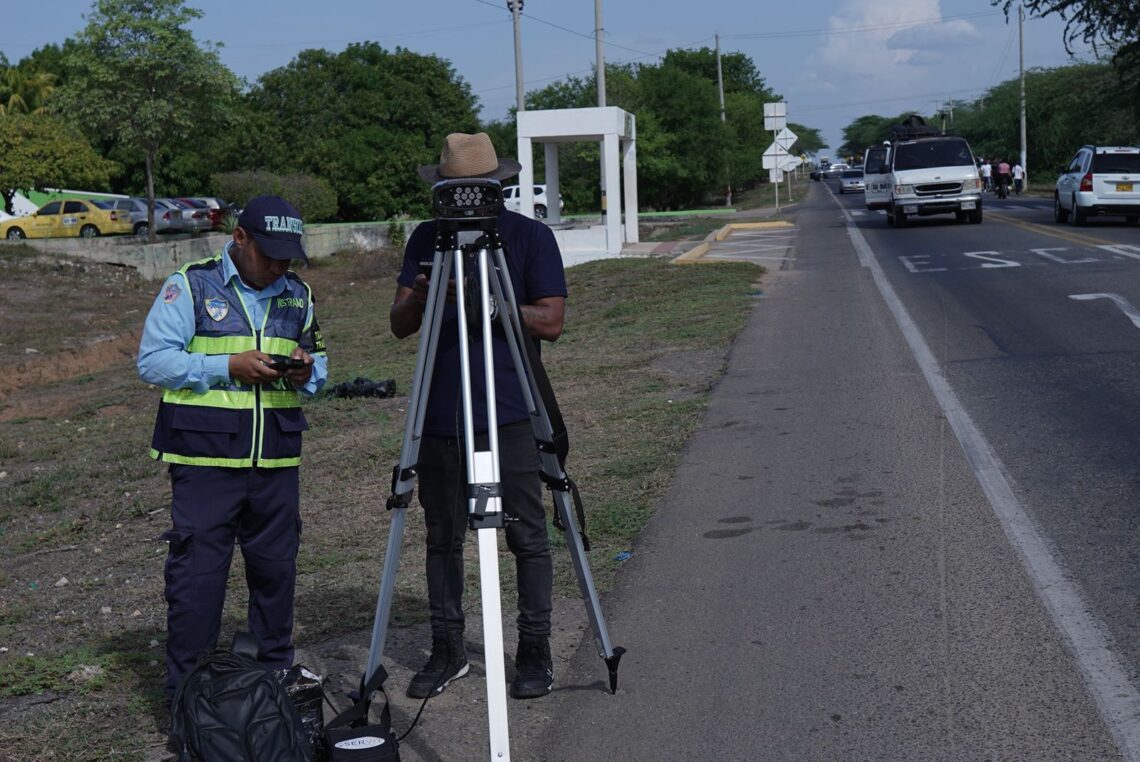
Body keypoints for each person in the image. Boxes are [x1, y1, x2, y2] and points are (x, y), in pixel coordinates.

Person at [390, 132, 567, 700]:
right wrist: (423, 295)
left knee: (527, 534)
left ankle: (534, 648)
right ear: (441, 188)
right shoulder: (425, 239)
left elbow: (552, 321)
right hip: (441, 413)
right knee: (442, 535)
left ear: (498, 185)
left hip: (510, 408)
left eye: (475, 188)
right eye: (453, 189)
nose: (464, 198)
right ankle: (448, 650)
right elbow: (398, 323)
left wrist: (489, 303)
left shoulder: (529, 237)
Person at [137, 195, 328, 704]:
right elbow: (153, 361)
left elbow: (321, 363)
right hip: (205, 464)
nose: (280, 267)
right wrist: (226, 368)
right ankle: (190, 704)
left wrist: (310, 372)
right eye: (270, 256)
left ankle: (271, 698)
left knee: (276, 580)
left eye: (289, 258)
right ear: (239, 239)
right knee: (197, 588)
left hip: (277, 465)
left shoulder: (298, 295)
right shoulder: (192, 285)